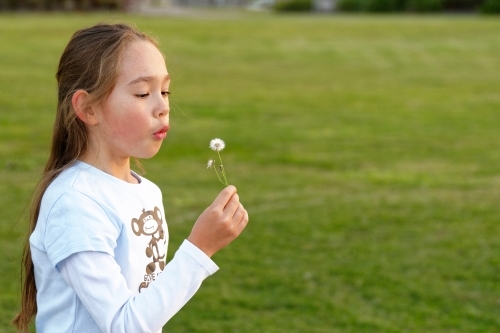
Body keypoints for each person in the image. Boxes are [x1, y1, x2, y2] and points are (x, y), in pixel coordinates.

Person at [13, 23, 249, 333]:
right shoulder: (75, 203)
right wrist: (200, 248)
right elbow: (124, 325)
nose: (163, 106)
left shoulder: (146, 191)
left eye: (164, 91)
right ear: (87, 108)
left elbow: (146, 310)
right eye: (142, 93)